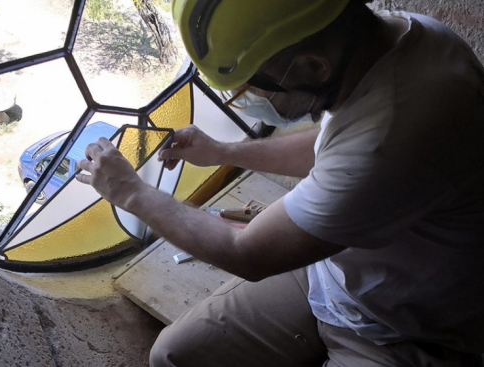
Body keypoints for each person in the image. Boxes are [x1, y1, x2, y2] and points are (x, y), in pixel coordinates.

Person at [76, 0, 484, 365]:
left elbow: (247, 254)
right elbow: (336, 147)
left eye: (253, 86)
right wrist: (224, 152)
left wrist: (130, 191)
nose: (246, 99)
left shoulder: (391, 138)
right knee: (173, 355)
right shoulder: (400, 37)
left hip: (400, 327)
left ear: (312, 66)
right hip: (332, 273)